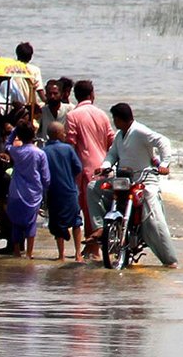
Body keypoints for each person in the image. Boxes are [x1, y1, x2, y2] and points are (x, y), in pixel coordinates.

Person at [88, 103, 180, 267]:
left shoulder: (140, 131)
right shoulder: (119, 135)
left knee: (153, 216)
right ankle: (101, 227)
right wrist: (104, 167)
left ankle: (169, 259)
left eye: (114, 118)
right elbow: (112, 154)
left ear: (118, 119)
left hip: (145, 180)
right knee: (93, 188)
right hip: (124, 180)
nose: (114, 121)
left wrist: (164, 163)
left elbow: (163, 141)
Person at [64, 79, 113, 254]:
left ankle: (93, 248)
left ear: (75, 96)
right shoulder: (102, 114)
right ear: (92, 95)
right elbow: (111, 141)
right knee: (102, 207)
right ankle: (96, 246)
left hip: (85, 169)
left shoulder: (72, 116)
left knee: (88, 209)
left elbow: (70, 144)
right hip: (104, 167)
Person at [2, 124, 49, 259]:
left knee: (16, 222)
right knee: (31, 222)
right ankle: (29, 253)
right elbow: (45, 176)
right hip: (33, 193)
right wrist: (46, 192)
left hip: (16, 191)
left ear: (20, 136)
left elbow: (7, 144)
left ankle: (16, 251)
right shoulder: (40, 153)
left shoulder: (16, 151)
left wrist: (15, 130)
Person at [41, 122, 85, 262]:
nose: (65, 134)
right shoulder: (68, 149)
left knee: (57, 223)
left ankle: (61, 255)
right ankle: (78, 254)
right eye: (64, 133)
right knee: (76, 221)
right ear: (59, 134)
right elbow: (78, 167)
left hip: (53, 192)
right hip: (70, 190)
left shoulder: (44, 151)